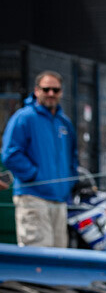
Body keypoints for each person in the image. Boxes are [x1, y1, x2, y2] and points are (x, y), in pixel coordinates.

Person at [1, 70, 78, 247]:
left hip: (59, 201)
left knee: (59, 258)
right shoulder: (24, 117)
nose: (51, 93)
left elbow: (73, 156)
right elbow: (10, 154)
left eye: (55, 90)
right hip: (33, 198)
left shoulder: (64, 122)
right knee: (37, 257)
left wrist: (69, 183)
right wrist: (35, 175)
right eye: (46, 89)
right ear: (37, 90)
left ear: (61, 92)